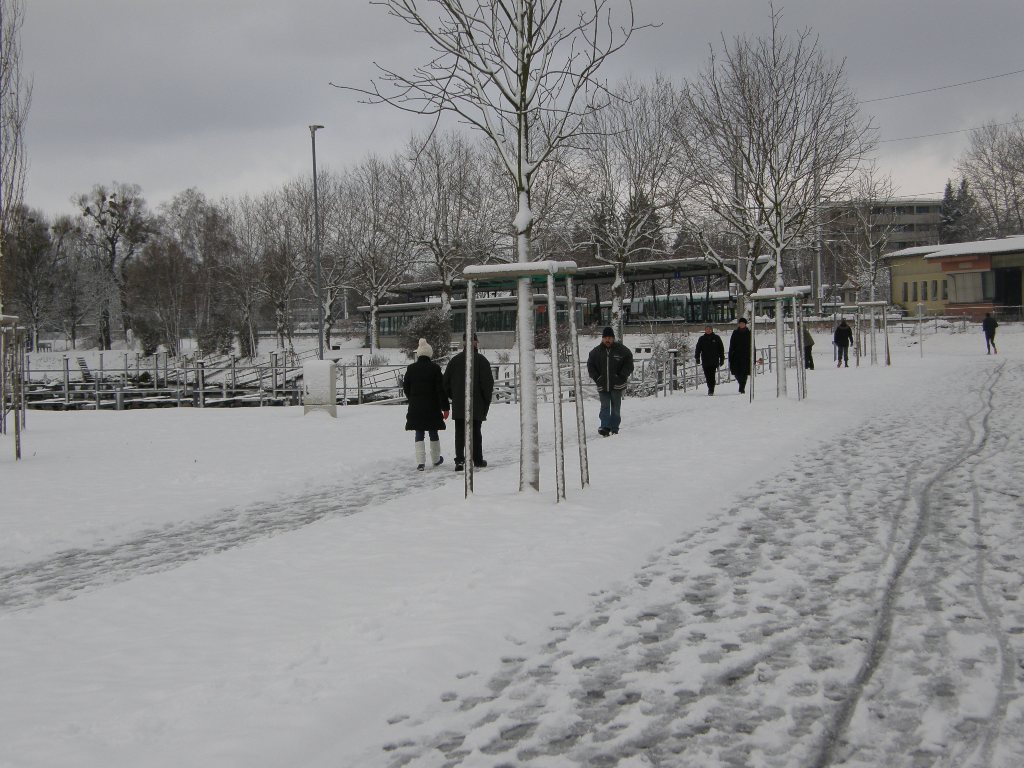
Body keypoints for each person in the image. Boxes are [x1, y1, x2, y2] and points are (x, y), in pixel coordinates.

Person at [443, 333, 494, 471]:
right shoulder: (482, 361)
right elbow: (487, 384)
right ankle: (477, 459)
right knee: (476, 432)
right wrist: (485, 402)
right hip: (477, 404)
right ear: (476, 342)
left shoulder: (455, 361)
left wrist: (455, 396)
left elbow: (445, 383)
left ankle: (460, 460)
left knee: (460, 432)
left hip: (459, 404)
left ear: (463, 343)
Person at [403, 338, 448, 470]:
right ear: (429, 353)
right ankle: (436, 459)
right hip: (432, 407)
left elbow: (406, 387)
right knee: (433, 432)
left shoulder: (411, 368)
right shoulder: (435, 369)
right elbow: (441, 390)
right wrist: (445, 407)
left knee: (419, 432)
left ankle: (421, 462)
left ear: (418, 354)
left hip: (416, 407)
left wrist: (412, 399)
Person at [586, 326, 634, 436]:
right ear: (602, 338)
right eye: (606, 338)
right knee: (605, 407)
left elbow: (629, 364)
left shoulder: (623, 351)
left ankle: (614, 428)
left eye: (610, 338)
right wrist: (597, 378)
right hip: (602, 385)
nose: (608, 340)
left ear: (613, 338)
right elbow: (590, 366)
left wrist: (622, 376)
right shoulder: (595, 352)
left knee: (616, 408)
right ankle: (605, 427)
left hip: (617, 385)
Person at [694, 324, 725, 395]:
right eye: (707, 329)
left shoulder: (716, 338)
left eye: (709, 329)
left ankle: (711, 389)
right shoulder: (702, 338)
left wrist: (722, 359)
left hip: (714, 360)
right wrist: (697, 357)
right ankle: (710, 387)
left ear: (712, 330)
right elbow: (698, 349)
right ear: (705, 330)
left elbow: (721, 349)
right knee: (707, 375)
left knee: (712, 375)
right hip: (705, 360)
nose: (708, 330)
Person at [728, 317, 752, 394]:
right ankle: (741, 384)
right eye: (740, 323)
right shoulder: (735, 333)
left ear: (745, 324)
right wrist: (730, 356)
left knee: (744, 373)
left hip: (746, 356)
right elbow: (731, 345)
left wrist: (753, 357)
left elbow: (752, 346)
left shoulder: (749, 333)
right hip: (736, 356)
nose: (741, 324)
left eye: (743, 323)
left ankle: (742, 388)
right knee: (737, 373)